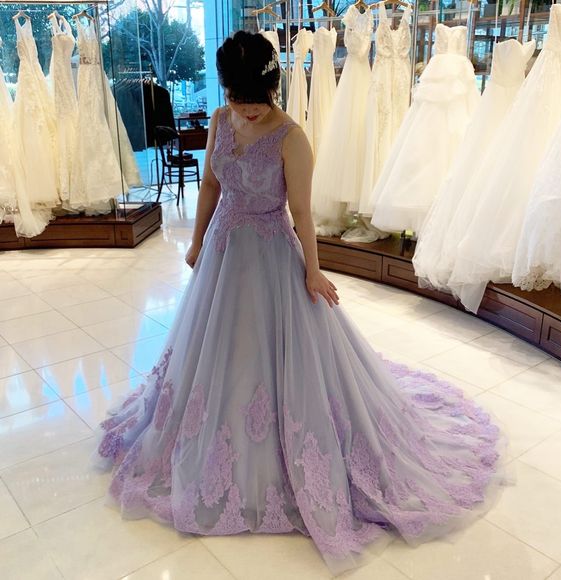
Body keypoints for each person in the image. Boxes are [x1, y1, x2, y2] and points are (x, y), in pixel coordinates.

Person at [93, 31, 507, 575]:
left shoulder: (292, 138)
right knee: (216, 349)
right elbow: (212, 187)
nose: (246, 110)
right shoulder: (219, 121)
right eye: (237, 98)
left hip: (271, 254)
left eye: (255, 99)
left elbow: (303, 214)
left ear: (271, 87)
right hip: (223, 251)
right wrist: (195, 242)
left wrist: (313, 271)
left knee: (273, 351)